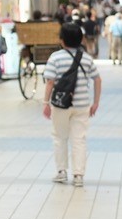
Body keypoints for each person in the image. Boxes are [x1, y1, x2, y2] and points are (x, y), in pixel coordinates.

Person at [42, 24, 101, 188]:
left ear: (61, 40)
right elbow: (97, 79)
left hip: (61, 104)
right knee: (79, 139)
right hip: (82, 105)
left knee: (60, 137)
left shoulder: (55, 57)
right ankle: (78, 175)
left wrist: (45, 103)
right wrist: (95, 102)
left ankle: (61, 172)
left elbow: (50, 82)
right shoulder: (87, 58)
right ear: (81, 39)